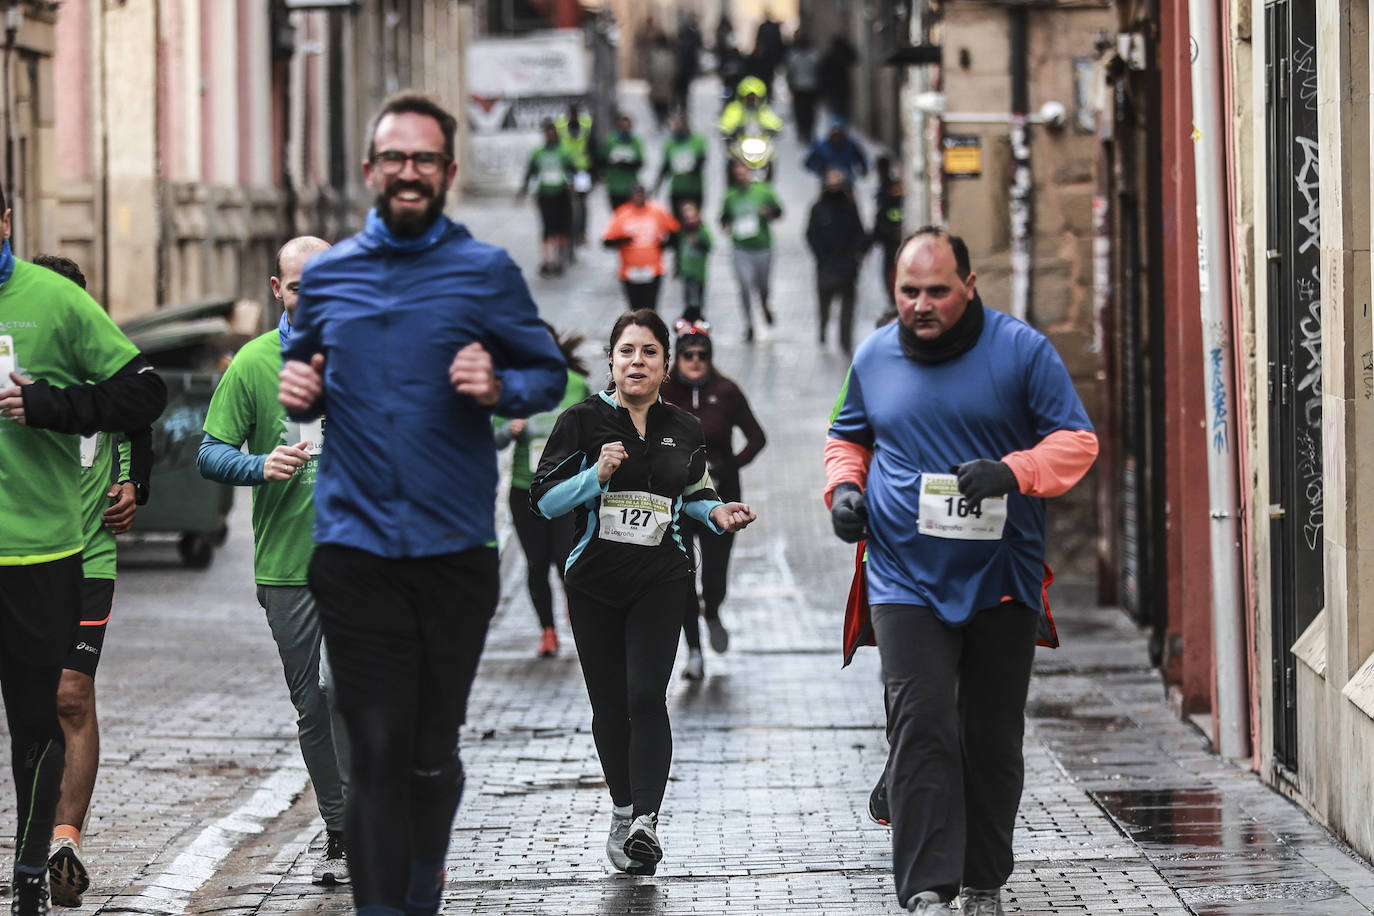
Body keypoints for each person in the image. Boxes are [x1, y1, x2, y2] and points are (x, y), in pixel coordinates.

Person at [278, 92, 568, 916]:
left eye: (425, 160)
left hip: (453, 552)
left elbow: (546, 371)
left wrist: (500, 385)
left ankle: (420, 881)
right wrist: (298, 391)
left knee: (430, 755)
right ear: (371, 171)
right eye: (393, 159)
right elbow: (302, 378)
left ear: (445, 172)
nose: (409, 172)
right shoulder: (329, 276)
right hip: (354, 550)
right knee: (373, 750)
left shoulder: (484, 273)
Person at [824, 228, 1098, 914]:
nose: (922, 304)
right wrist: (845, 491)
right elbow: (848, 435)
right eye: (909, 291)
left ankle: (982, 873)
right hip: (901, 574)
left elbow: (1077, 441)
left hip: (999, 575)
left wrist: (1012, 471)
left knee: (989, 735)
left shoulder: (1020, 351)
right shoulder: (875, 354)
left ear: (969, 286)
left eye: (937, 291)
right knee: (920, 723)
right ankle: (923, 887)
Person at [529, 309, 756, 877]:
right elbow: (545, 501)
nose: (638, 362)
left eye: (650, 352)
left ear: (666, 364)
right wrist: (594, 477)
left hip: (662, 578)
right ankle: (622, 810)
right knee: (608, 706)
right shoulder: (580, 422)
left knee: (644, 695)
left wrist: (718, 512)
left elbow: (696, 493)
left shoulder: (684, 427)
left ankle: (644, 823)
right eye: (628, 351)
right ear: (611, 360)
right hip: (593, 583)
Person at [0, 185, 167, 915]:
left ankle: (39, 861)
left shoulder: (55, 304)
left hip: (51, 551)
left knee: (50, 710)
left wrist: (50, 407)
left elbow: (143, 401)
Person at [197, 235, 352, 888]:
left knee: (345, 689)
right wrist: (261, 465)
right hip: (288, 567)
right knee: (314, 704)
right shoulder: (255, 364)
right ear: (277, 290)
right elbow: (209, 452)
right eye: (298, 287)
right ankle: (341, 828)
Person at [29, 255, 153, 910]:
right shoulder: (19, 379)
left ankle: (63, 845)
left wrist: (137, 483)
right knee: (29, 704)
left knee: (72, 696)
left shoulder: (111, 377)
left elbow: (141, 421)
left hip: (89, 559)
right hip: (20, 556)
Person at [660, 326, 765, 680]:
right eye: (688, 355)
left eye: (702, 355)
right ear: (677, 357)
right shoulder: (664, 392)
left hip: (722, 497)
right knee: (683, 574)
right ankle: (694, 651)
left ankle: (714, 609)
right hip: (676, 500)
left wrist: (731, 463)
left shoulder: (726, 391)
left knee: (715, 576)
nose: (695, 361)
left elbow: (757, 437)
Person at [493, 324, 591, 658]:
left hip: (565, 490)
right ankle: (547, 630)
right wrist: (510, 428)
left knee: (566, 559)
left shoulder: (575, 385)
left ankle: (574, 612)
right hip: (525, 490)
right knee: (536, 563)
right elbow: (493, 438)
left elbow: (597, 431)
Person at [805, 168, 869, 351]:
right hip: (826, 264)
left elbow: (859, 232)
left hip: (847, 264)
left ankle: (845, 339)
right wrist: (820, 255)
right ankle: (823, 327)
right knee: (824, 301)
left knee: (848, 304)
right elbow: (811, 234)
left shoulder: (849, 207)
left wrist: (856, 253)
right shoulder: (818, 208)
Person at [720, 159, 783, 341]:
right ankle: (748, 324)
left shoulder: (763, 190)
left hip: (762, 247)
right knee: (745, 286)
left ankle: (764, 304)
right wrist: (725, 224)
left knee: (763, 285)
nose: (741, 176)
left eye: (743, 172)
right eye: (737, 173)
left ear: (749, 172)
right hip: (741, 248)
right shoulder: (730, 196)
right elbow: (724, 217)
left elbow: (779, 212)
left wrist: (768, 213)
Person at [603, 184, 680, 312]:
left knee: (651, 308)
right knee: (635, 309)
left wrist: (664, 245)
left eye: (641, 194)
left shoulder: (658, 212)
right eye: (635, 195)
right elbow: (607, 241)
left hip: (653, 269)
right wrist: (623, 240)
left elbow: (675, 231)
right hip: (629, 270)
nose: (638, 198)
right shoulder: (622, 214)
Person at [518, 119, 575, 277]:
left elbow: (573, 171)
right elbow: (530, 172)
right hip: (545, 194)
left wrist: (574, 186)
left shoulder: (564, 152)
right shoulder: (538, 153)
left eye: (553, 131)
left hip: (561, 194)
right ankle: (548, 260)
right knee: (547, 227)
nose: (550, 134)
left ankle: (559, 258)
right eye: (547, 132)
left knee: (561, 227)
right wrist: (523, 190)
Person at [718, 76, 784, 181]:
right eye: (748, 98)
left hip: (759, 143)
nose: (751, 101)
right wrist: (730, 129)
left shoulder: (764, 110)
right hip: (740, 144)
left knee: (772, 156)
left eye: (754, 98)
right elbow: (726, 123)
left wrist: (774, 129)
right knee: (730, 157)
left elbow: (774, 122)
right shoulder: (735, 109)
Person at [653, 111, 708, 222]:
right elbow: (666, 166)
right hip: (677, 189)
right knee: (677, 221)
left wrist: (692, 171)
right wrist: (657, 186)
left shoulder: (698, 141)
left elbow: (701, 162)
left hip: (694, 189)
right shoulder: (670, 144)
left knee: (693, 220)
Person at [556, 103, 594, 247]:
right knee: (565, 201)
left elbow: (592, 145)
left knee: (583, 203)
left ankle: (582, 232)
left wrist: (594, 169)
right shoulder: (560, 125)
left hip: (582, 169)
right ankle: (565, 231)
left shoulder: (586, 124)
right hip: (565, 169)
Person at [871, 155, 905, 304]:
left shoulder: (891, 187)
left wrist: (892, 225)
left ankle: (894, 297)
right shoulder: (885, 185)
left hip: (892, 236)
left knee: (890, 269)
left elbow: (895, 210)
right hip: (888, 235)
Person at [673, 201, 712, 325]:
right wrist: (677, 268)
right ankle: (690, 321)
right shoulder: (681, 231)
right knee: (689, 299)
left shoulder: (702, 230)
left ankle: (698, 321)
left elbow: (709, 246)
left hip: (699, 271)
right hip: (687, 271)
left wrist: (698, 242)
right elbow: (678, 250)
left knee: (698, 300)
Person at [599, 114, 646, 212]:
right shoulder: (611, 140)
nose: (625, 129)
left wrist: (626, 164)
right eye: (622, 126)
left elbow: (640, 162)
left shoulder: (635, 142)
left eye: (627, 126)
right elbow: (601, 159)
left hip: (630, 187)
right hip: (614, 186)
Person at [805, 118, 869, 187]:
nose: (837, 137)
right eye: (834, 134)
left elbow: (861, 158)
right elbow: (809, 162)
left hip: (847, 181)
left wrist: (863, 168)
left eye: (839, 134)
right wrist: (820, 169)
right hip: (828, 182)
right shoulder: (821, 146)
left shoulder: (851, 145)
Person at [786, 31, 822, 141]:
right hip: (799, 88)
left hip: (810, 88)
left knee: (808, 112)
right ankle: (803, 131)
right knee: (800, 112)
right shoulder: (794, 55)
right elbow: (790, 72)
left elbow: (818, 71)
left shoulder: (813, 55)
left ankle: (807, 131)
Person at [820, 34, 858, 122]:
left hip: (835, 88)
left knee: (837, 110)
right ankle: (839, 128)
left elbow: (855, 59)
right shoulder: (836, 56)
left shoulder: (829, 56)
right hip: (840, 87)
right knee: (840, 110)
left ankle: (838, 127)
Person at [646, 32, 677, 131]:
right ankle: (662, 120)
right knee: (663, 103)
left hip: (660, 84)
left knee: (659, 103)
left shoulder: (655, 54)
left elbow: (649, 69)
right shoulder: (669, 55)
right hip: (664, 84)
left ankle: (661, 120)